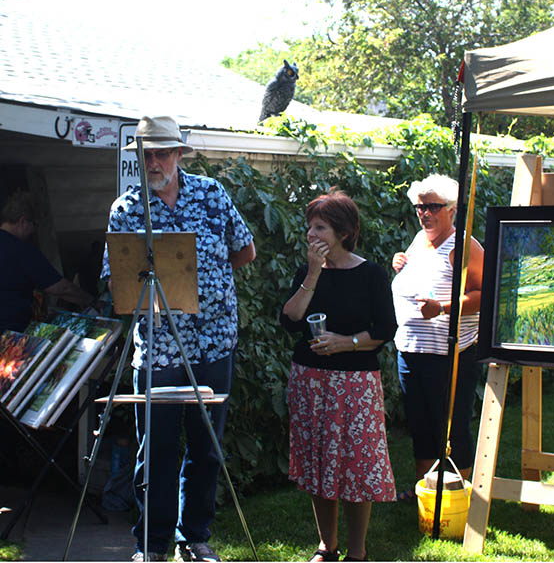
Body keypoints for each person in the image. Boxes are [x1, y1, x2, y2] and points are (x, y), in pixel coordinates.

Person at [101, 116, 256, 563]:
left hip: (214, 343)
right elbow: (117, 283)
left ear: (179, 154)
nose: (154, 161)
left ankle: (195, 538)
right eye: (147, 154)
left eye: (162, 153)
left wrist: (209, 287)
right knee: (156, 452)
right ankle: (151, 546)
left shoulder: (211, 193)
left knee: (206, 447)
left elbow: (243, 249)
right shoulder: (126, 209)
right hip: (160, 350)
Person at [280, 190, 397, 562]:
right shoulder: (307, 272)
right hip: (310, 383)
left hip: (355, 386)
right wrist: (313, 273)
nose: (311, 235)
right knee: (318, 464)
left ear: (344, 232)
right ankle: (326, 547)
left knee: (356, 465)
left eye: (320, 228)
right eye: (309, 228)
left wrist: (346, 342)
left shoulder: (371, 274)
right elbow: (289, 320)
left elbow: (385, 329)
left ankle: (357, 552)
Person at [390, 174, 484, 502]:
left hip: (449, 355)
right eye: (420, 207)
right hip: (412, 351)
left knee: (451, 426)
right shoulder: (419, 240)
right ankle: (426, 493)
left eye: (433, 207)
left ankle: (459, 497)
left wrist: (443, 308)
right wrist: (399, 261)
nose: (425, 213)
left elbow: (484, 296)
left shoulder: (464, 247)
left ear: (452, 209)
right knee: (421, 425)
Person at [0, 190, 95, 333]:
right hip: (10, 332)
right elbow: (60, 288)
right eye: (34, 225)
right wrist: (92, 301)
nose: (34, 231)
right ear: (23, 221)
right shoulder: (22, 250)